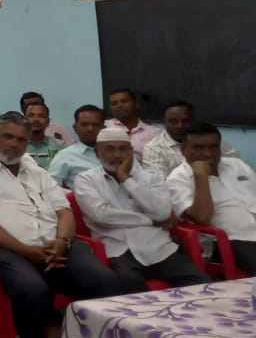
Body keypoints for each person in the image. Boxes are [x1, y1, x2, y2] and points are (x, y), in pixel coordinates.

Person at [0, 113, 121, 338]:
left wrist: (62, 242)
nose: (14, 144)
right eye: (8, 137)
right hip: (1, 252)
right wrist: (26, 251)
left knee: (105, 281)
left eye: (21, 139)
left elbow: (64, 212)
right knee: (33, 290)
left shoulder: (38, 173)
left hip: (54, 249)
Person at [73, 128, 209, 291]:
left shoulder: (151, 177)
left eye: (123, 149)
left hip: (158, 248)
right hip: (117, 250)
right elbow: (101, 215)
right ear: (97, 153)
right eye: (110, 149)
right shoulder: (86, 179)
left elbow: (162, 213)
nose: (117, 154)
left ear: (130, 152)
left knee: (202, 284)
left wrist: (126, 179)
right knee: (132, 289)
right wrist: (149, 221)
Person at [165, 122, 256, 275]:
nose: (208, 154)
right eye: (198, 148)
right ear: (183, 150)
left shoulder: (237, 165)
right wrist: (201, 176)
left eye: (213, 147)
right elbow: (202, 218)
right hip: (229, 241)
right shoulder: (177, 180)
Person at [141, 100, 240, 179]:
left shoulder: (210, 140)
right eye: (173, 121)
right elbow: (159, 186)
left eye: (185, 121)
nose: (180, 126)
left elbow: (237, 167)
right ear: (164, 122)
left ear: (193, 121)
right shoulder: (154, 148)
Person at [47, 105, 106, 188]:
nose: (90, 129)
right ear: (75, 128)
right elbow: (51, 188)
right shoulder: (65, 156)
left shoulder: (116, 153)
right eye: (84, 124)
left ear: (104, 128)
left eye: (95, 124)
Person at [105, 88, 161, 158]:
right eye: (114, 103)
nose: (119, 106)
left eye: (124, 101)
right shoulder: (103, 126)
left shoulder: (154, 133)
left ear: (136, 104)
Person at [23, 102, 65, 167]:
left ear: (48, 122)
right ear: (24, 120)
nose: (36, 119)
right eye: (31, 115)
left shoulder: (61, 146)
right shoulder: (15, 145)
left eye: (41, 116)